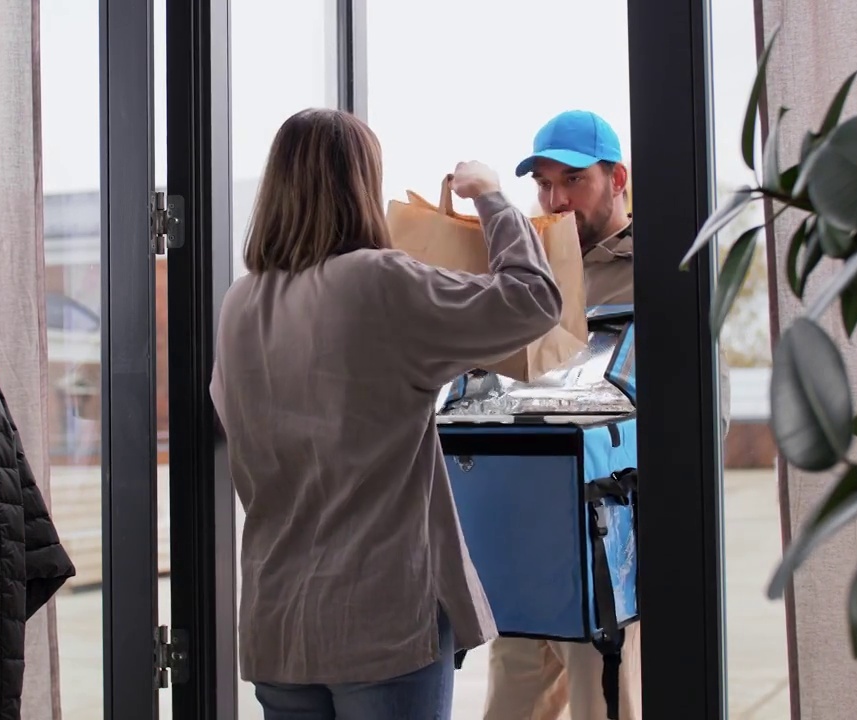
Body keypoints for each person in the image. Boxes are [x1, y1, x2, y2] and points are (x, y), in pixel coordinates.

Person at [209, 108, 564, 720]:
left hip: (277, 620)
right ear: (359, 185)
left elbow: (233, 413)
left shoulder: (240, 302)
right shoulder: (379, 281)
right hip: (381, 617)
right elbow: (533, 300)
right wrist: (493, 199)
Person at [483, 109, 731, 720]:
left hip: (606, 538)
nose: (555, 198)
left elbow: (704, 410)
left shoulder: (662, 268)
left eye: (573, 180)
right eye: (543, 183)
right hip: (526, 531)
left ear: (618, 178)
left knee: (605, 707)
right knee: (507, 707)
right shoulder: (530, 271)